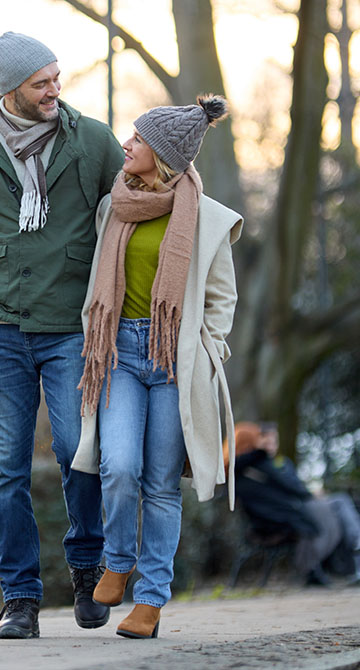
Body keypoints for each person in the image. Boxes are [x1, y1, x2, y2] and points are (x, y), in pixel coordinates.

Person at [0, 32, 124, 639]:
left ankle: (88, 570)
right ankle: (20, 598)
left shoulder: (91, 139)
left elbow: (129, 207)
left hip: (71, 324)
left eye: (56, 78)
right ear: (9, 89)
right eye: (41, 84)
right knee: (7, 468)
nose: (54, 92)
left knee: (77, 452)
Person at [71, 95, 242, 639]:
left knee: (162, 486)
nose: (127, 144)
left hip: (175, 361)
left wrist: (206, 348)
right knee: (118, 466)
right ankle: (118, 561)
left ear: (164, 155)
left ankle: (150, 601)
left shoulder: (208, 220)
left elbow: (222, 300)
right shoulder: (113, 208)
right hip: (118, 353)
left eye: (139, 140)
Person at [234, 421, 360, 585]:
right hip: (281, 518)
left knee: (339, 504)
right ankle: (352, 548)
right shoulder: (258, 467)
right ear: (252, 443)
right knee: (337, 505)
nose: (269, 446)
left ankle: (350, 552)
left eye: (274, 441)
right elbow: (290, 490)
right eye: (263, 441)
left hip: (288, 512)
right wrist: (310, 494)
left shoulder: (258, 467)